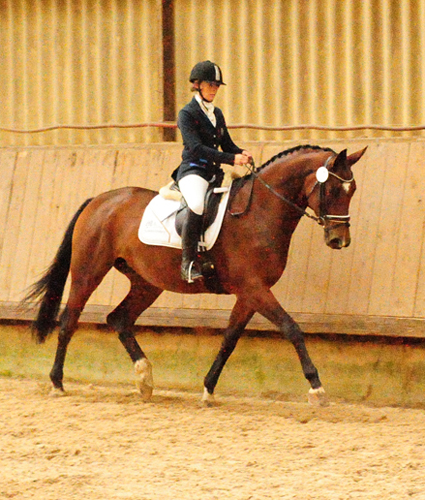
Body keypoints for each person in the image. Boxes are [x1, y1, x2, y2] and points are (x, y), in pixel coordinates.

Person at [172, 60, 253, 283]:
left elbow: (227, 144)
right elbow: (196, 148)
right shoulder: (186, 114)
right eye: (210, 85)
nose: (214, 90)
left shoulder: (216, 113)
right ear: (197, 85)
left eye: (217, 86)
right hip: (193, 171)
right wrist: (231, 158)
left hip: (213, 173)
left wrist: (241, 153)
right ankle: (188, 263)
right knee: (197, 204)